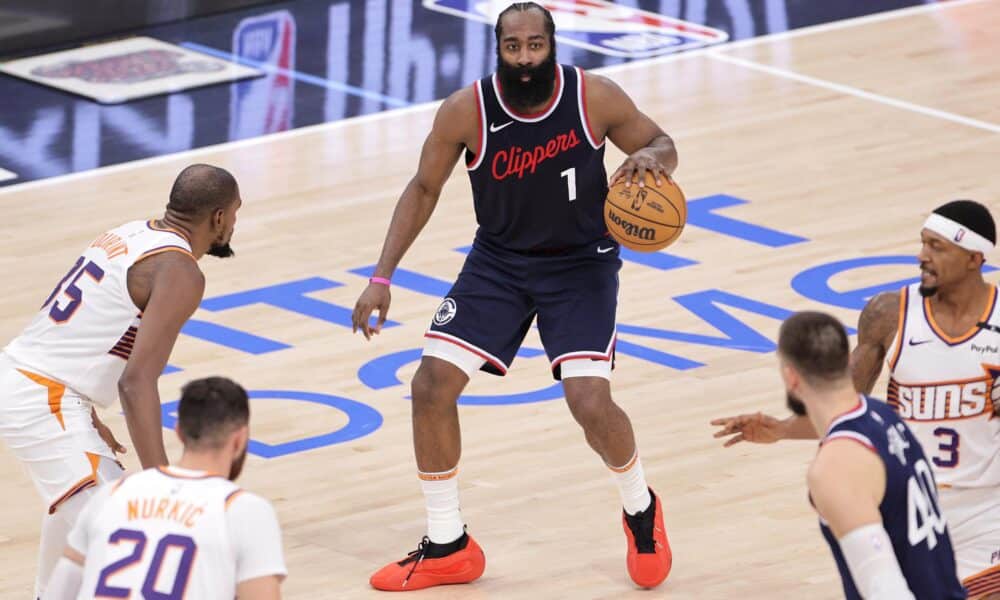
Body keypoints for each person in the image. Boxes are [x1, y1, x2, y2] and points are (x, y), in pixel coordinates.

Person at [351, 1, 677, 591]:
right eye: (513, 48)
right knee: (429, 386)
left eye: (534, 46)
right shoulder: (466, 110)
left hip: (581, 265)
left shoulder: (593, 96)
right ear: (497, 49)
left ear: (552, 46)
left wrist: (651, 157)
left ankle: (640, 508)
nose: (524, 59)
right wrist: (382, 276)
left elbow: (659, 140)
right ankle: (448, 542)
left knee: (589, 403)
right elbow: (424, 188)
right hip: (499, 263)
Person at [712, 200, 1000, 599]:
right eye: (923, 243)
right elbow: (845, 408)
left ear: (973, 259)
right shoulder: (890, 314)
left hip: (988, 510)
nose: (922, 256)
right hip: (908, 503)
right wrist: (780, 429)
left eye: (936, 247)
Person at [0, 163, 241, 597]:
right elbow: (136, 383)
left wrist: (87, 412)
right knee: (143, 533)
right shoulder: (182, 271)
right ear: (219, 217)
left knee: (82, 523)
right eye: (236, 213)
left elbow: (76, 329)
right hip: (44, 400)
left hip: (35, 384)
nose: (234, 225)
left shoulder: (130, 233)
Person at [775, 311, 964, 599]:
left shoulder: (836, 466)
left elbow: (884, 589)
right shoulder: (883, 415)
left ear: (791, 376)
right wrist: (779, 431)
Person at [44, 376, 287, 600]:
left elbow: (59, 592)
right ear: (240, 438)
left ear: (179, 433)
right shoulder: (244, 510)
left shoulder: (111, 495)